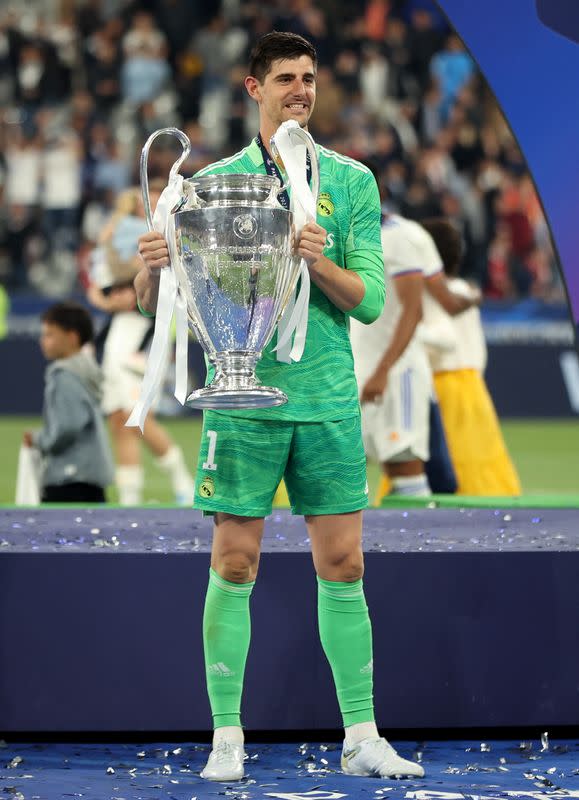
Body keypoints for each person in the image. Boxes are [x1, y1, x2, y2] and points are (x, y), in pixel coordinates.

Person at [135, 31, 424, 783]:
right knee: (234, 561)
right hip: (242, 400)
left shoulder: (352, 182)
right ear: (252, 88)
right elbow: (165, 306)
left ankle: (360, 735)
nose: (301, 89)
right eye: (286, 78)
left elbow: (368, 303)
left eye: (310, 78)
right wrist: (150, 270)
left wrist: (315, 257)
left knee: (345, 563)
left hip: (326, 397)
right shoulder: (210, 184)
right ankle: (226, 736)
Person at [87, 184, 195, 506]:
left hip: (146, 333)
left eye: (155, 199)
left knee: (136, 415)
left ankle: (183, 482)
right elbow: (101, 282)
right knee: (118, 419)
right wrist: (106, 299)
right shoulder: (123, 234)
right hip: (120, 331)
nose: (148, 205)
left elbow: (157, 289)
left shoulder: (173, 236)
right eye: (143, 200)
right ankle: (130, 497)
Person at [420, 218, 521, 495]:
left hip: (442, 386)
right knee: (482, 467)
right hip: (474, 388)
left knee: (440, 464)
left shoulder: (427, 293)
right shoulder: (466, 292)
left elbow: (443, 341)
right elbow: (478, 350)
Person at [350, 201, 443, 498]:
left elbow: (413, 311)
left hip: (396, 371)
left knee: (403, 465)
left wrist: (382, 371)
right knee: (346, 464)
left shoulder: (399, 236)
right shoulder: (339, 233)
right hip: (356, 369)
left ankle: (421, 542)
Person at [23, 301, 114, 503]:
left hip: (69, 478)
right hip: (91, 475)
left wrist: (39, 440)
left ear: (72, 337)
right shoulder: (88, 369)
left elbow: (67, 426)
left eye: (49, 335)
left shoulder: (63, 374)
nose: (42, 341)